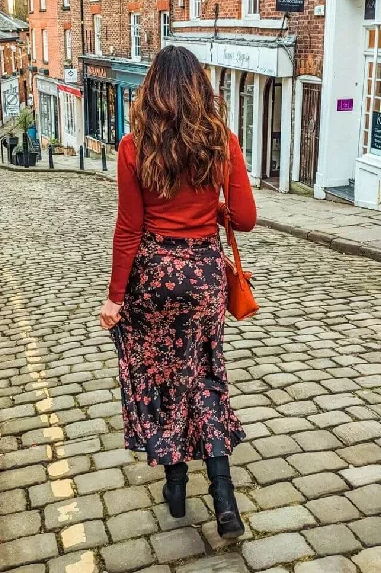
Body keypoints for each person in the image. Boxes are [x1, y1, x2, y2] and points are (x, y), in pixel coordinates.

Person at [100, 45, 257, 539]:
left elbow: (129, 228)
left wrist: (114, 297)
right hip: (205, 276)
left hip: (154, 278)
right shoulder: (222, 142)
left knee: (163, 377)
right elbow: (248, 219)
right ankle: (225, 501)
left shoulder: (133, 147)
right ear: (200, 89)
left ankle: (174, 483)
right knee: (205, 377)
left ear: (151, 92)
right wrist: (213, 211)